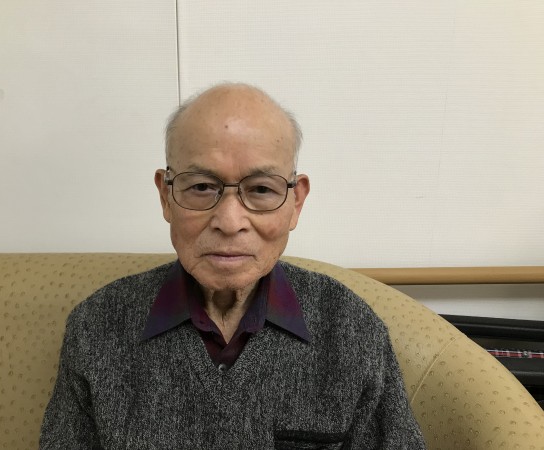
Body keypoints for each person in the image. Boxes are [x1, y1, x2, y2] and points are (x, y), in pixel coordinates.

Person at [40, 83, 426, 449]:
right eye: (201, 187)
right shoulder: (96, 327)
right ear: (166, 196)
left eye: (261, 189)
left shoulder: (351, 329)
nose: (229, 221)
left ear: (296, 202)